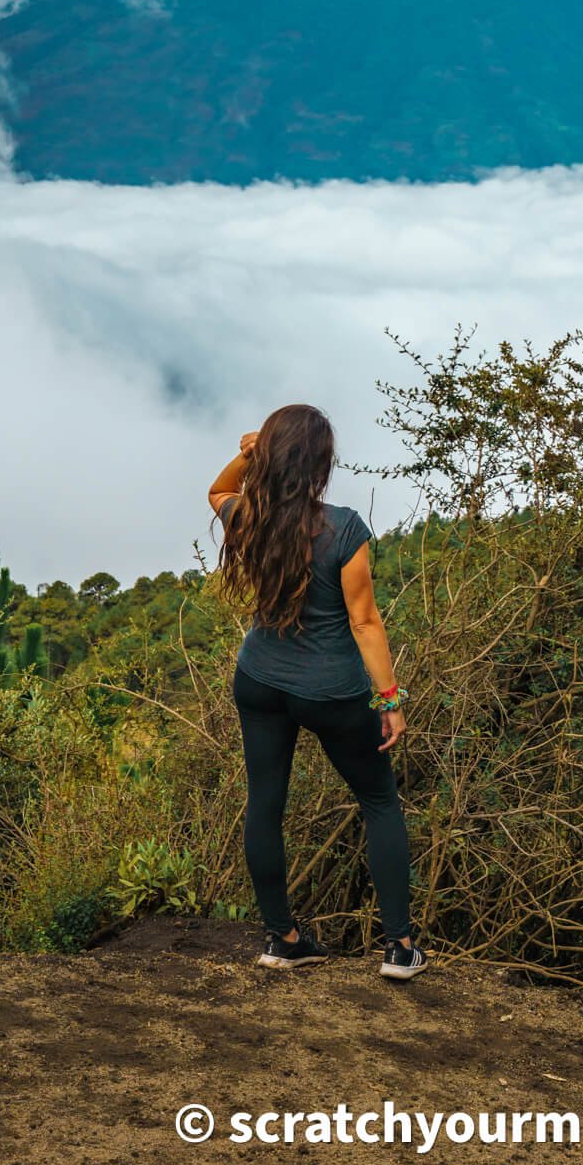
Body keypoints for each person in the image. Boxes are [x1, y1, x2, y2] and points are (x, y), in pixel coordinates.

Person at [209, 402, 426, 981]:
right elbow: (364, 622)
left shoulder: (249, 518)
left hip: (259, 680)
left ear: (272, 458)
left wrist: (247, 456)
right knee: (378, 800)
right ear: (321, 464)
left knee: (265, 803)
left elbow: (215, 491)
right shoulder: (345, 528)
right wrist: (389, 701)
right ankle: (400, 948)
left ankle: (282, 938)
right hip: (330, 690)